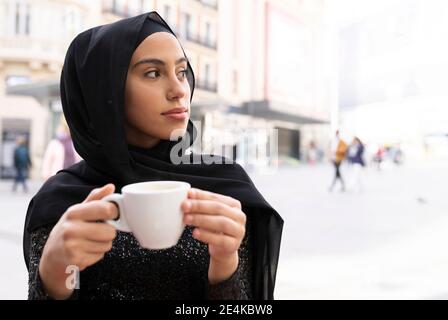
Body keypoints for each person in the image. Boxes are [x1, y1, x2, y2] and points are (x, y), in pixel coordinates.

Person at [23, 12, 283, 300]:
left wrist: (224, 265)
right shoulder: (62, 202)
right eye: (153, 73)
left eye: (182, 72)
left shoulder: (225, 187)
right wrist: (55, 274)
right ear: (105, 88)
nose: (178, 90)